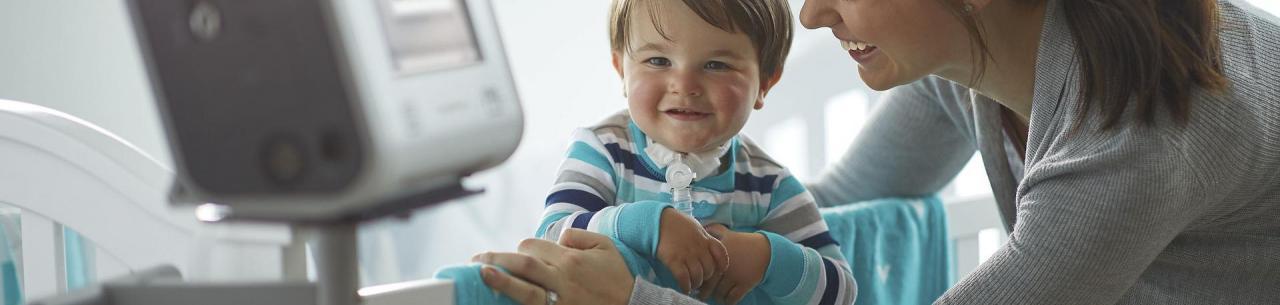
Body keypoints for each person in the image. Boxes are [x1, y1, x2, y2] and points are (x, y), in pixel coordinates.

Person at [474, 0, 1280, 304]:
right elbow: (819, 216)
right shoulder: (966, 68)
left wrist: (636, 300)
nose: (816, 12)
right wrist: (692, 234)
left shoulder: (1140, 136)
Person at [525, 0, 855, 304]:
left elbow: (843, 292)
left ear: (765, 82)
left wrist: (767, 259)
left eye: (716, 64)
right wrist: (642, 225)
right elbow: (550, 240)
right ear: (622, 70)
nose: (684, 84)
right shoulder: (603, 150)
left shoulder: (768, 184)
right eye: (658, 60)